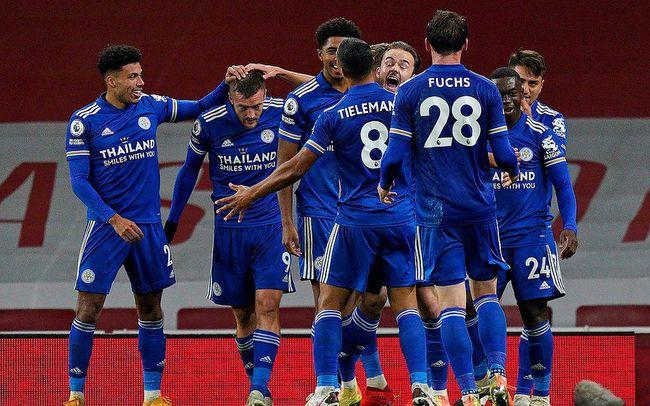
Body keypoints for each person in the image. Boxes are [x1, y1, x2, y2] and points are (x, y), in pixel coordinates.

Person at [215, 38, 435, 406]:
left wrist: (252, 193)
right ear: (376, 68)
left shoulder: (333, 114)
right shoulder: (404, 104)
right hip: (400, 218)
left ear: (343, 71)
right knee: (406, 303)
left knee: (330, 304)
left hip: (353, 221)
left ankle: (326, 387)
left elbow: (294, 168)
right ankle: (421, 385)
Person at [64, 44, 226, 406]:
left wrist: (226, 83)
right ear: (112, 81)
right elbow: (79, 183)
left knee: (151, 309)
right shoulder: (84, 121)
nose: (141, 82)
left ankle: (152, 396)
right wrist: (114, 218)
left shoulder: (151, 106)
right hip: (106, 228)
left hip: (149, 228)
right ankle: (75, 395)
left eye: (141, 75)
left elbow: (201, 106)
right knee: (88, 309)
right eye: (132, 76)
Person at [378, 10, 519, 406]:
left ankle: (469, 392)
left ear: (426, 44)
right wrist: (510, 169)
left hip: (435, 213)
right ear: (466, 44)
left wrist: (385, 184)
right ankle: (499, 376)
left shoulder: (410, 92)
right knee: (486, 295)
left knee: (452, 305)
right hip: (479, 208)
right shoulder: (485, 89)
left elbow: (394, 155)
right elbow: (504, 152)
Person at [166, 70, 295, 406]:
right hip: (230, 231)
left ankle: (258, 388)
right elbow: (189, 170)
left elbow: (330, 92)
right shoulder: (209, 123)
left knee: (268, 304)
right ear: (230, 100)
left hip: (269, 227)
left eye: (256, 106)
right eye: (243, 108)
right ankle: (259, 387)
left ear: (265, 95)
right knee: (243, 314)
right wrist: (174, 219)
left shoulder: (283, 112)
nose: (251, 115)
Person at [490, 67, 578, 406]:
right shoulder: (477, 135)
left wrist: (570, 225)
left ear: (521, 96)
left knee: (535, 314)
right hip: (490, 240)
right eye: (499, 94)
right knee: (478, 312)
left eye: (512, 93)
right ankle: (488, 387)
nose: (507, 100)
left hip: (532, 238)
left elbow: (563, 185)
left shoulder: (542, 135)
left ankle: (539, 395)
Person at [276, 17, 361, 302]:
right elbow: (285, 166)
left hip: (364, 210)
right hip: (319, 211)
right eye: (331, 51)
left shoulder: (369, 93)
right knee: (327, 300)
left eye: (343, 51)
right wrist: (287, 221)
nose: (337, 58)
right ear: (319, 54)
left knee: (365, 298)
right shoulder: (301, 100)